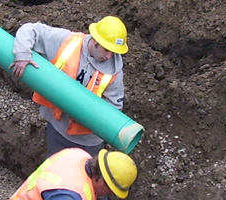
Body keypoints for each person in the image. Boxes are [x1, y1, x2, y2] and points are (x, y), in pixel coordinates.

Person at [9, 16, 130, 158]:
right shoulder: (69, 42)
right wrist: (22, 55)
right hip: (57, 129)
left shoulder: (114, 72)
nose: (110, 56)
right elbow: (31, 29)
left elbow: (114, 110)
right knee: (55, 173)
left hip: (89, 141)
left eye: (114, 52)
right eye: (107, 50)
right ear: (95, 40)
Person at [10, 148, 138, 200]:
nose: (107, 194)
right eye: (109, 190)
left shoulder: (77, 154)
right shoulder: (69, 195)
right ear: (100, 179)